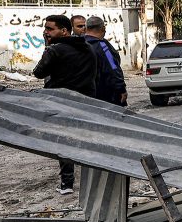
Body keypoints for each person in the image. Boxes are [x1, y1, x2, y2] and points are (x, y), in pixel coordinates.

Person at [32, 14, 97, 194]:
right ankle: (92, 181)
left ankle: (67, 184)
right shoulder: (88, 48)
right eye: (45, 29)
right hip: (88, 103)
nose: (46, 33)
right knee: (88, 140)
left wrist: (48, 48)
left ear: (64, 31)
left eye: (50, 29)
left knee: (65, 142)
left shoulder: (54, 51)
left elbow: (38, 72)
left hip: (63, 104)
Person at [83, 16, 128, 106]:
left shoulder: (78, 44)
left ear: (86, 28)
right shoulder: (102, 46)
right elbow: (113, 68)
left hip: (84, 94)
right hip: (105, 94)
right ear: (103, 28)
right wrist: (121, 89)